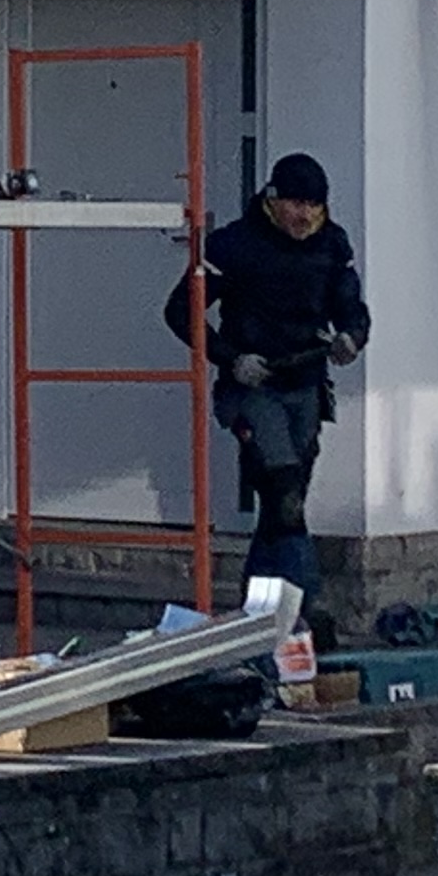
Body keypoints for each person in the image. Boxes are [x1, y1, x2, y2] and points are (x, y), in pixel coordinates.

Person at [162, 149, 369, 613]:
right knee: (284, 494)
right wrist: (231, 359)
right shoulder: (233, 246)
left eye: (314, 206)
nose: (304, 216)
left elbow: (351, 307)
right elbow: (180, 311)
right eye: (295, 204)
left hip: (307, 387)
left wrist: (351, 338)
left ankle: (257, 613)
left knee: (280, 510)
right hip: (252, 390)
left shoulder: (332, 245)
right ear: (273, 200)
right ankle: (306, 611)